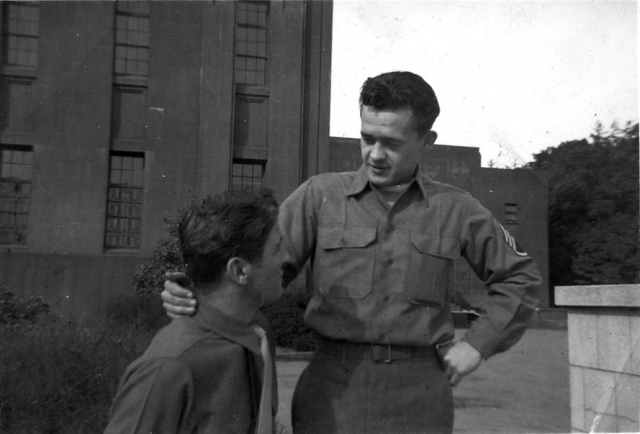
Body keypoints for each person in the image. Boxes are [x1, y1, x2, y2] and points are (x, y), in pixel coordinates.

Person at [162, 71, 541, 434]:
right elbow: (255, 268)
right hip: (332, 392)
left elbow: (521, 278)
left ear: (427, 141)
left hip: (421, 395)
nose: (374, 154)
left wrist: (476, 345)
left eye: (391, 143)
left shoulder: (457, 208)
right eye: (367, 138)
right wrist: (197, 290)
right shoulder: (318, 196)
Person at [106, 190, 284, 434]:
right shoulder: (167, 369)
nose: (287, 259)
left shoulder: (257, 334)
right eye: (277, 249)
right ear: (239, 271)